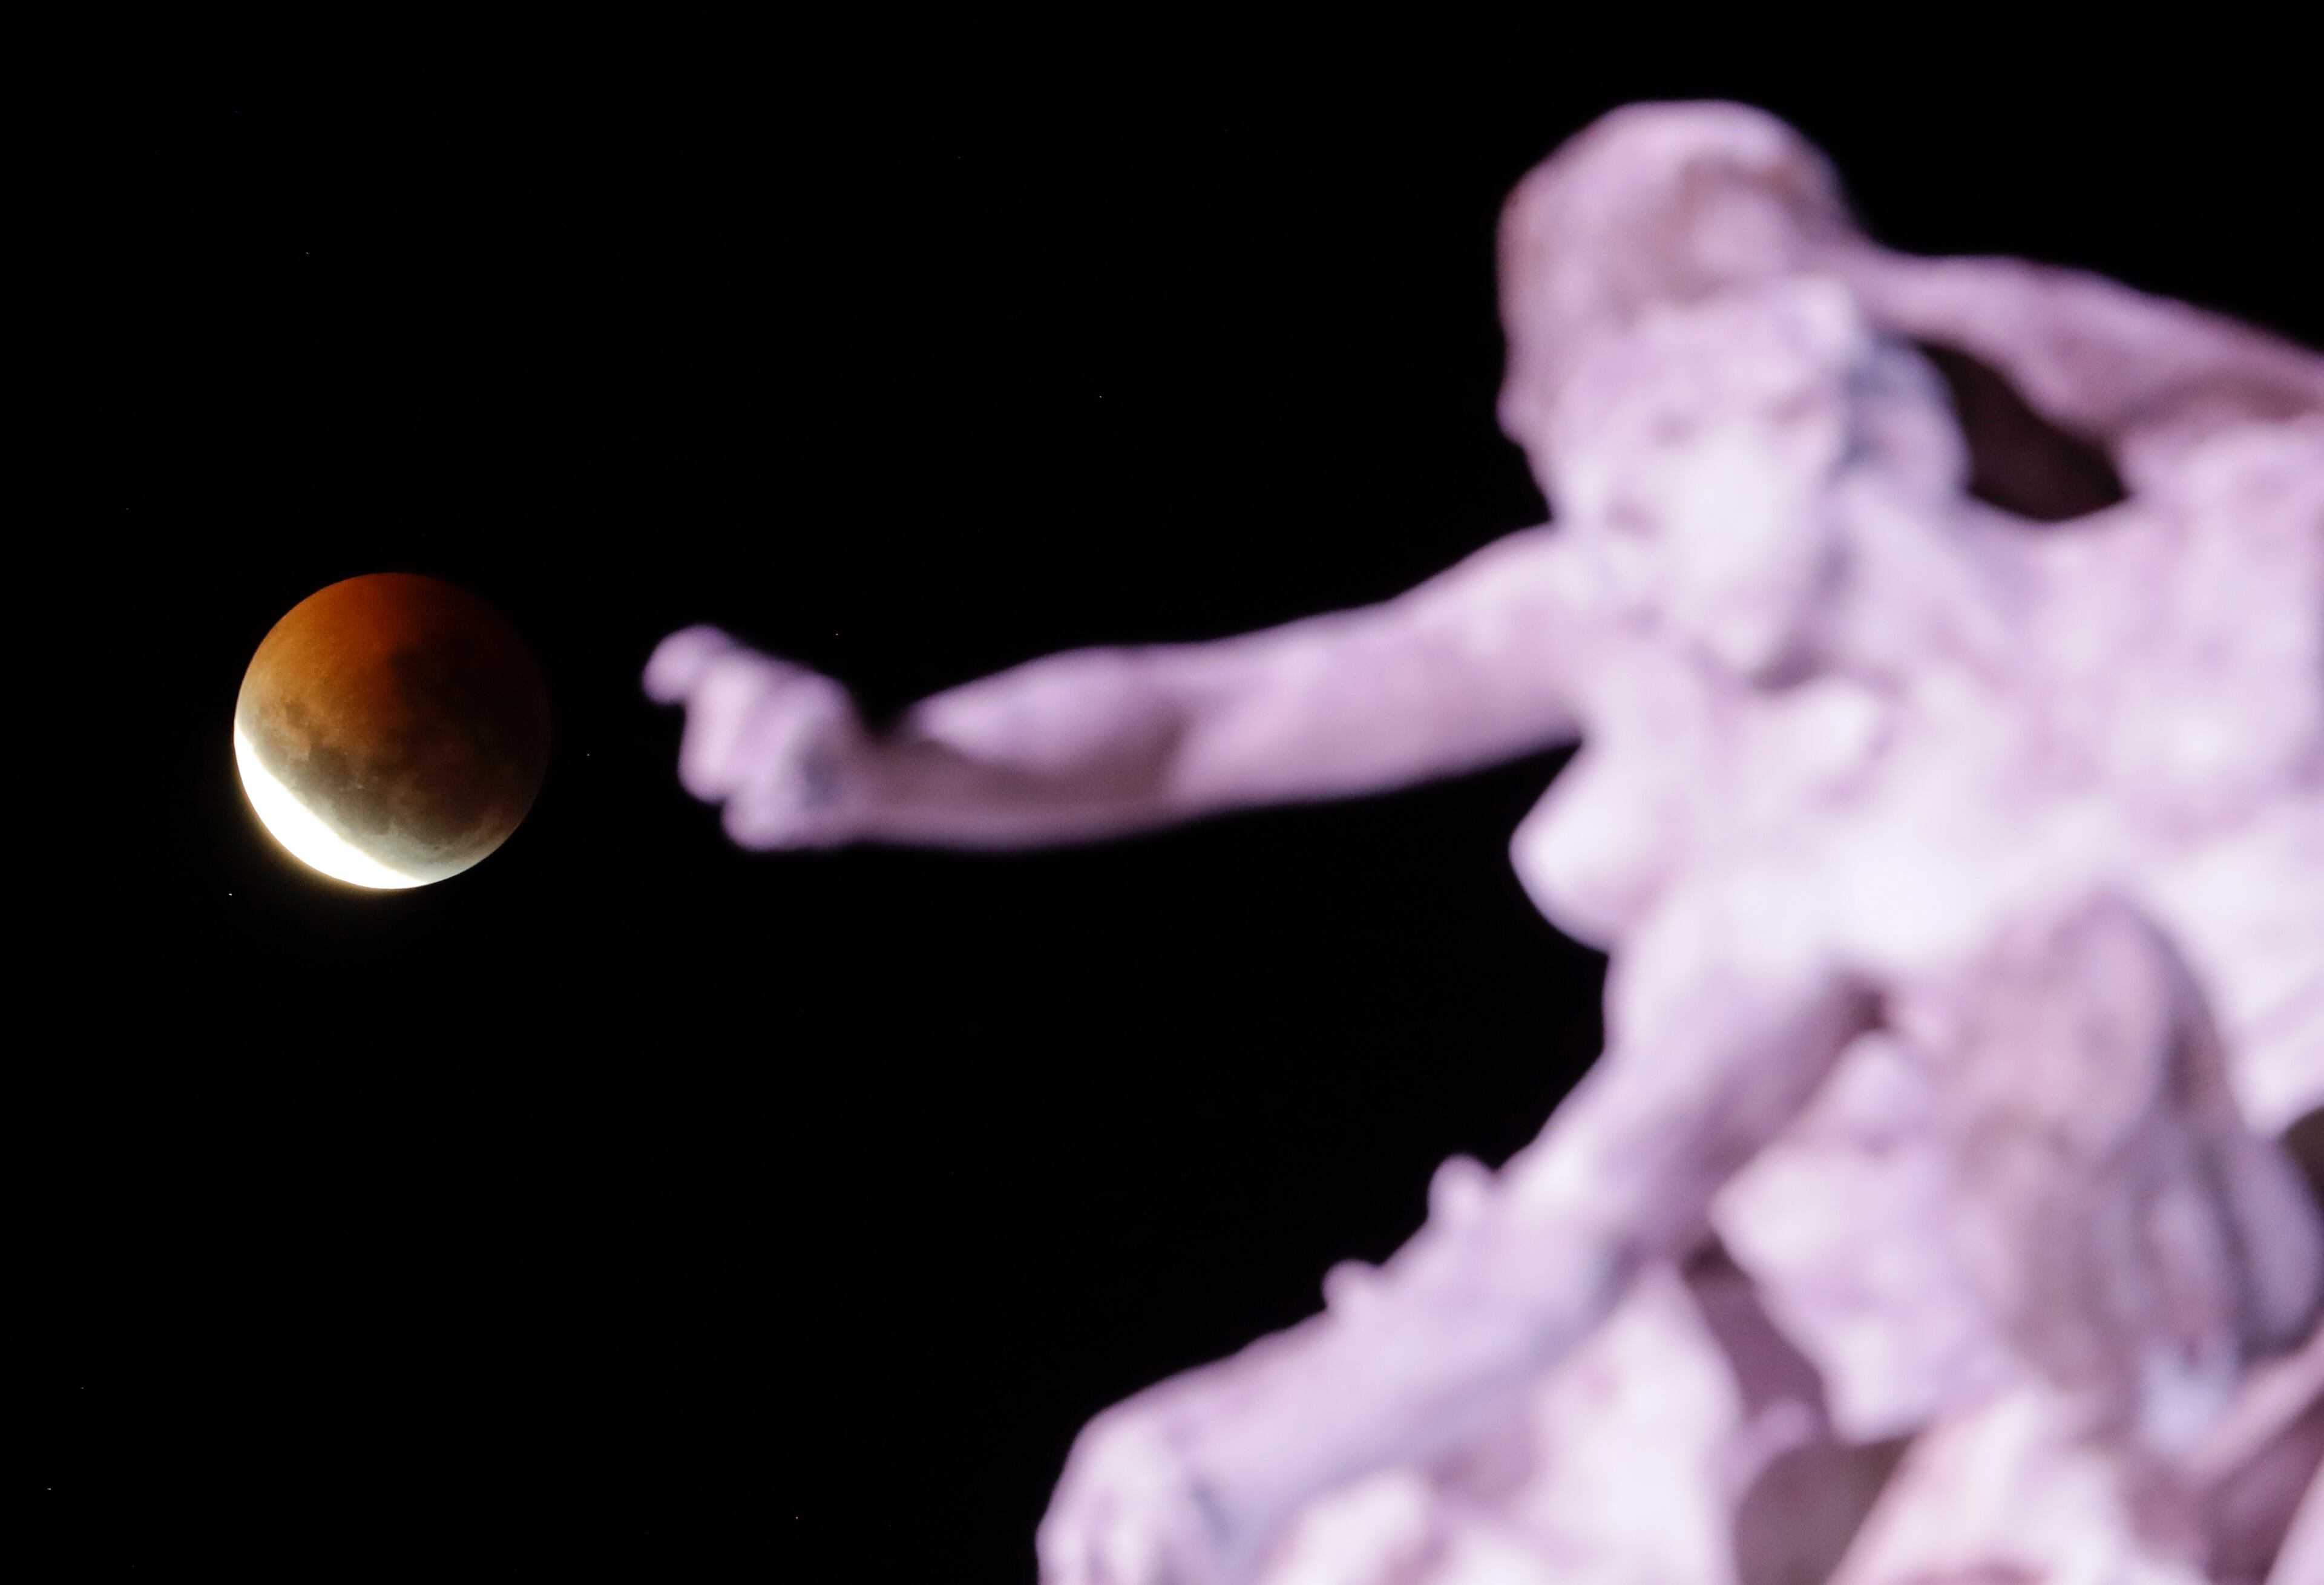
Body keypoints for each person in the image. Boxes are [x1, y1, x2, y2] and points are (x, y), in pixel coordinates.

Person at [648, 103, 2324, 1584]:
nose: (1615, 522)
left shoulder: (2257, 555)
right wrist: (899, 765)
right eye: (1587, 467)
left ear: (1822, 382)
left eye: (1659, 432)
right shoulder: (1817, 861)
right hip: (2058, 1370)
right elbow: (1226, 720)